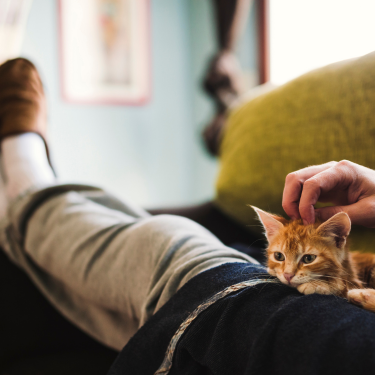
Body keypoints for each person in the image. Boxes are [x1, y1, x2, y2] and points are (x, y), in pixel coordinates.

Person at [1, 58, 375, 375]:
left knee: (169, 245)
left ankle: (25, 186)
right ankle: (22, 209)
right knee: (152, 285)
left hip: (313, 333)